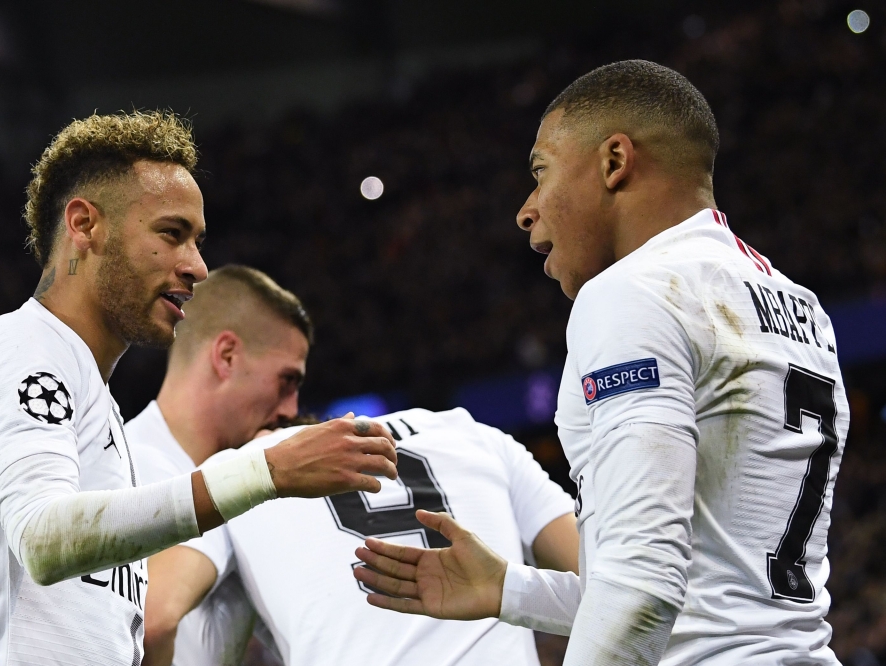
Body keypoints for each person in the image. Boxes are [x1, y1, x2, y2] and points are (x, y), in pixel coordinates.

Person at [354, 60, 850, 665]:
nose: (526, 208)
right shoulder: (801, 306)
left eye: (541, 172)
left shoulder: (633, 292)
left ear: (614, 162)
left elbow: (644, 588)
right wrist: (510, 589)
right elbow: (715, 599)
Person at [0, 110, 397, 666]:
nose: (196, 265)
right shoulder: (18, 347)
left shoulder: (101, 413)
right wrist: (265, 473)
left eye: (196, 240)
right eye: (172, 234)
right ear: (84, 225)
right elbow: (45, 541)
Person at [139, 406, 578, 666]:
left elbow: (155, 619)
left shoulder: (236, 469)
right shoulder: (476, 434)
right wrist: (512, 591)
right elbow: (619, 591)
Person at [127, 264, 314, 666]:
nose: (291, 410)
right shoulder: (115, 472)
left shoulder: (256, 489)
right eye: (287, 382)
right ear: (226, 356)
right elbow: (151, 625)